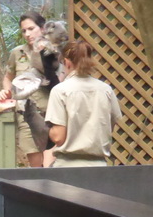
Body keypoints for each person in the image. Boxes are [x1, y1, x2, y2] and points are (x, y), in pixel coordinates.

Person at [0, 12, 61, 168]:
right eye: (24, 31)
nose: (27, 34)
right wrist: (7, 91)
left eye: (31, 28)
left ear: (43, 28)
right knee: (36, 167)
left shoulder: (54, 52)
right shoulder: (18, 53)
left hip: (51, 115)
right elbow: (8, 77)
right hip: (27, 116)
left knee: (51, 165)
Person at [45, 40, 122, 168]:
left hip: (67, 168)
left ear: (67, 62)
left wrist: (46, 131)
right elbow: (110, 126)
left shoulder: (60, 91)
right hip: (100, 167)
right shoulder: (106, 90)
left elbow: (58, 137)